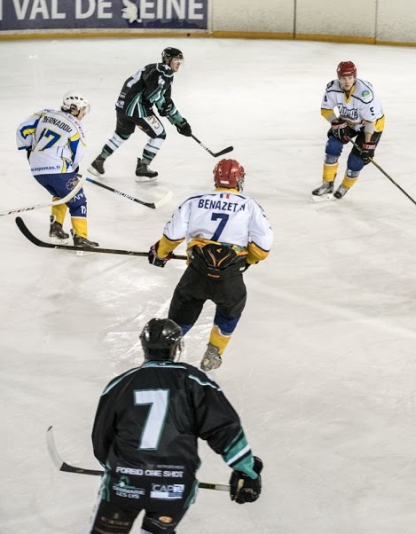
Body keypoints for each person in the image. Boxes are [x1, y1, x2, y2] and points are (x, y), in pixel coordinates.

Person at [89, 318, 262, 534]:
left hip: (124, 484)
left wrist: (115, 469)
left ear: (144, 347)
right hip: (174, 488)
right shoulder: (194, 380)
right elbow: (225, 428)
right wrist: (246, 471)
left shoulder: (120, 385)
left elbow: (101, 440)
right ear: (177, 347)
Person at [148, 159, 273, 371]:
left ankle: (164, 357)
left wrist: (161, 253)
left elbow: (172, 234)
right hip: (230, 277)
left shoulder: (195, 200)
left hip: (196, 274)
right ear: (239, 179)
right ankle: (215, 351)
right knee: (230, 311)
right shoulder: (250, 205)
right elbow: (263, 246)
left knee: (180, 315)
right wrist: (247, 260)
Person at [88, 47, 192, 182]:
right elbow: (154, 97)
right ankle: (143, 168)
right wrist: (179, 121)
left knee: (121, 134)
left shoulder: (156, 69)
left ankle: (98, 162)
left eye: (180, 60)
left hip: (122, 105)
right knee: (159, 134)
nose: (179, 63)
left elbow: (164, 101)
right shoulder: (163, 72)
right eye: (176, 60)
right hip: (136, 107)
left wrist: (178, 121)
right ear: (167, 60)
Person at [16, 91, 98, 248]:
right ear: (75, 108)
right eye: (83, 110)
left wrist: (29, 150)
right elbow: (78, 152)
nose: (84, 114)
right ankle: (80, 238)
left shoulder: (44, 113)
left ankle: (56, 228)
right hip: (58, 170)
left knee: (60, 195)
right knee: (78, 200)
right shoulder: (77, 126)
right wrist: (71, 169)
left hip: (37, 169)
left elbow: (22, 129)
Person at [312, 61, 385, 200]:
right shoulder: (332, 88)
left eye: (350, 77)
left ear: (355, 77)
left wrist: (367, 145)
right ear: (338, 78)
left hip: (372, 125)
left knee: (356, 160)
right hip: (349, 121)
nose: (347, 81)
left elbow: (370, 121)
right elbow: (326, 110)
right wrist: (336, 122)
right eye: (344, 78)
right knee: (333, 145)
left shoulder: (364, 93)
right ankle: (327, 183)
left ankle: (345, 186)